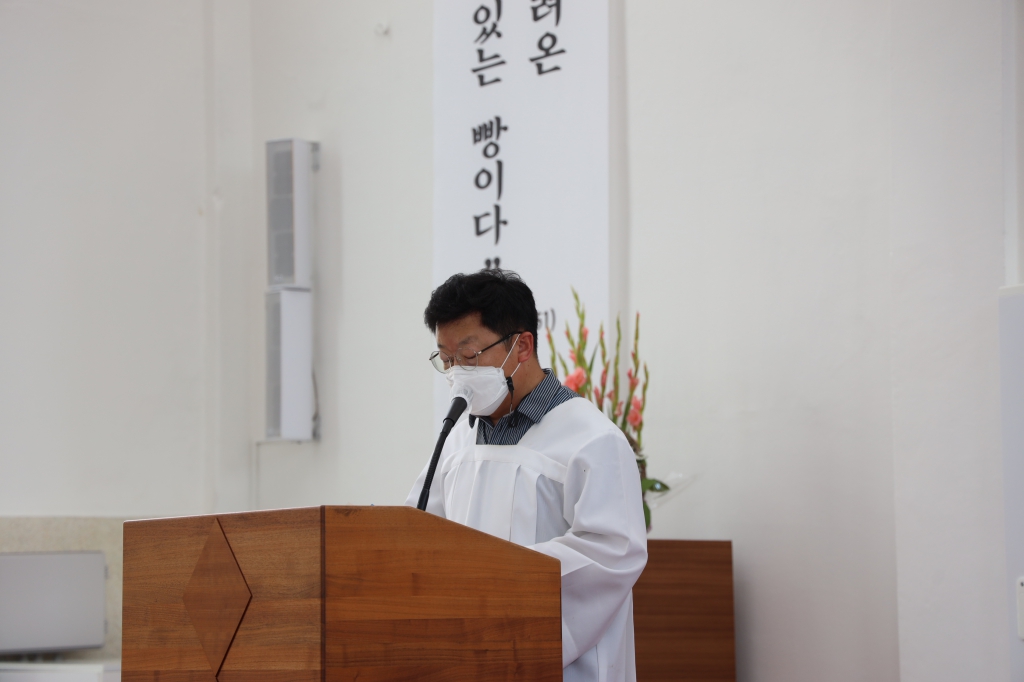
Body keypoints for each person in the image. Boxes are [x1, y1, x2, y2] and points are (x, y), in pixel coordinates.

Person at [406, 269, 648, 682]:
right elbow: (417, 535)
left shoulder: (591, 440)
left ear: (522, 346)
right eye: (446, 360)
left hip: (560, 667)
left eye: (469, 355)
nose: (457, 373)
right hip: (465, 661)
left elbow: (613, 553)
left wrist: (497, 581)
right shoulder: (456, 442)